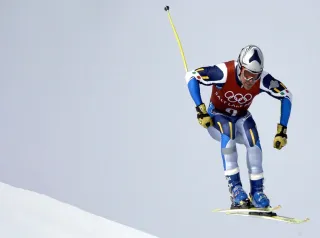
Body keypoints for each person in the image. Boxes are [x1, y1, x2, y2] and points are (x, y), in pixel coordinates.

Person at [185, 45, 292, 209]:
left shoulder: (262, 79)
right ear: (240, 68)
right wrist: (200, 110)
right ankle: (236, 190)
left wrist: (282, 131)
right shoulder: (224, 71)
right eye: (248, 75)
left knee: (253, 139)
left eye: (255, 76)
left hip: (241, 116)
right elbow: (191, 75)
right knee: (228, 131)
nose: (250, 81)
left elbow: (286, 95)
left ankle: (257, 192)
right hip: (217, 116)